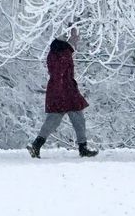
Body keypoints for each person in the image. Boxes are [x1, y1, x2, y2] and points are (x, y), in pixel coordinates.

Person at [28, 28, 97, 157]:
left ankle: (36, 145)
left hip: (59, 91)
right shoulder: (63, 52)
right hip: (65, 92)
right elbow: (59, 73)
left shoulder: (56, 51)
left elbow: (56, 73)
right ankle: (83, 148)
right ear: (67, 37)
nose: (77, 38)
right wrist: (62, 91)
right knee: (77, 119)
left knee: (54, 121)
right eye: (74, 35)